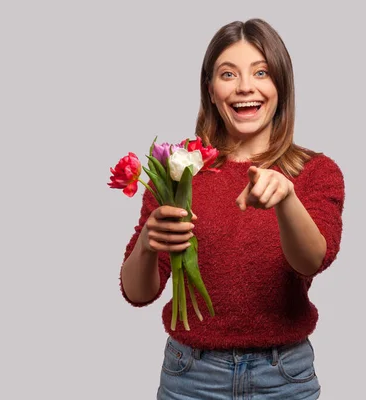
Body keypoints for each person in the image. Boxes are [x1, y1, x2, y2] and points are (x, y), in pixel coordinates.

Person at [119, 18, 345, 399]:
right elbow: (138, 293)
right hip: (191, 375)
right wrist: (146, 243)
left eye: (261, 72)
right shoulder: (177, 168)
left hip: (283, 376)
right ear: (210, 89)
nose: (245, 87)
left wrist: (286, 199)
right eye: (228, 74)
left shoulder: (316, 172)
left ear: (281, 86)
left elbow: (311, 261)